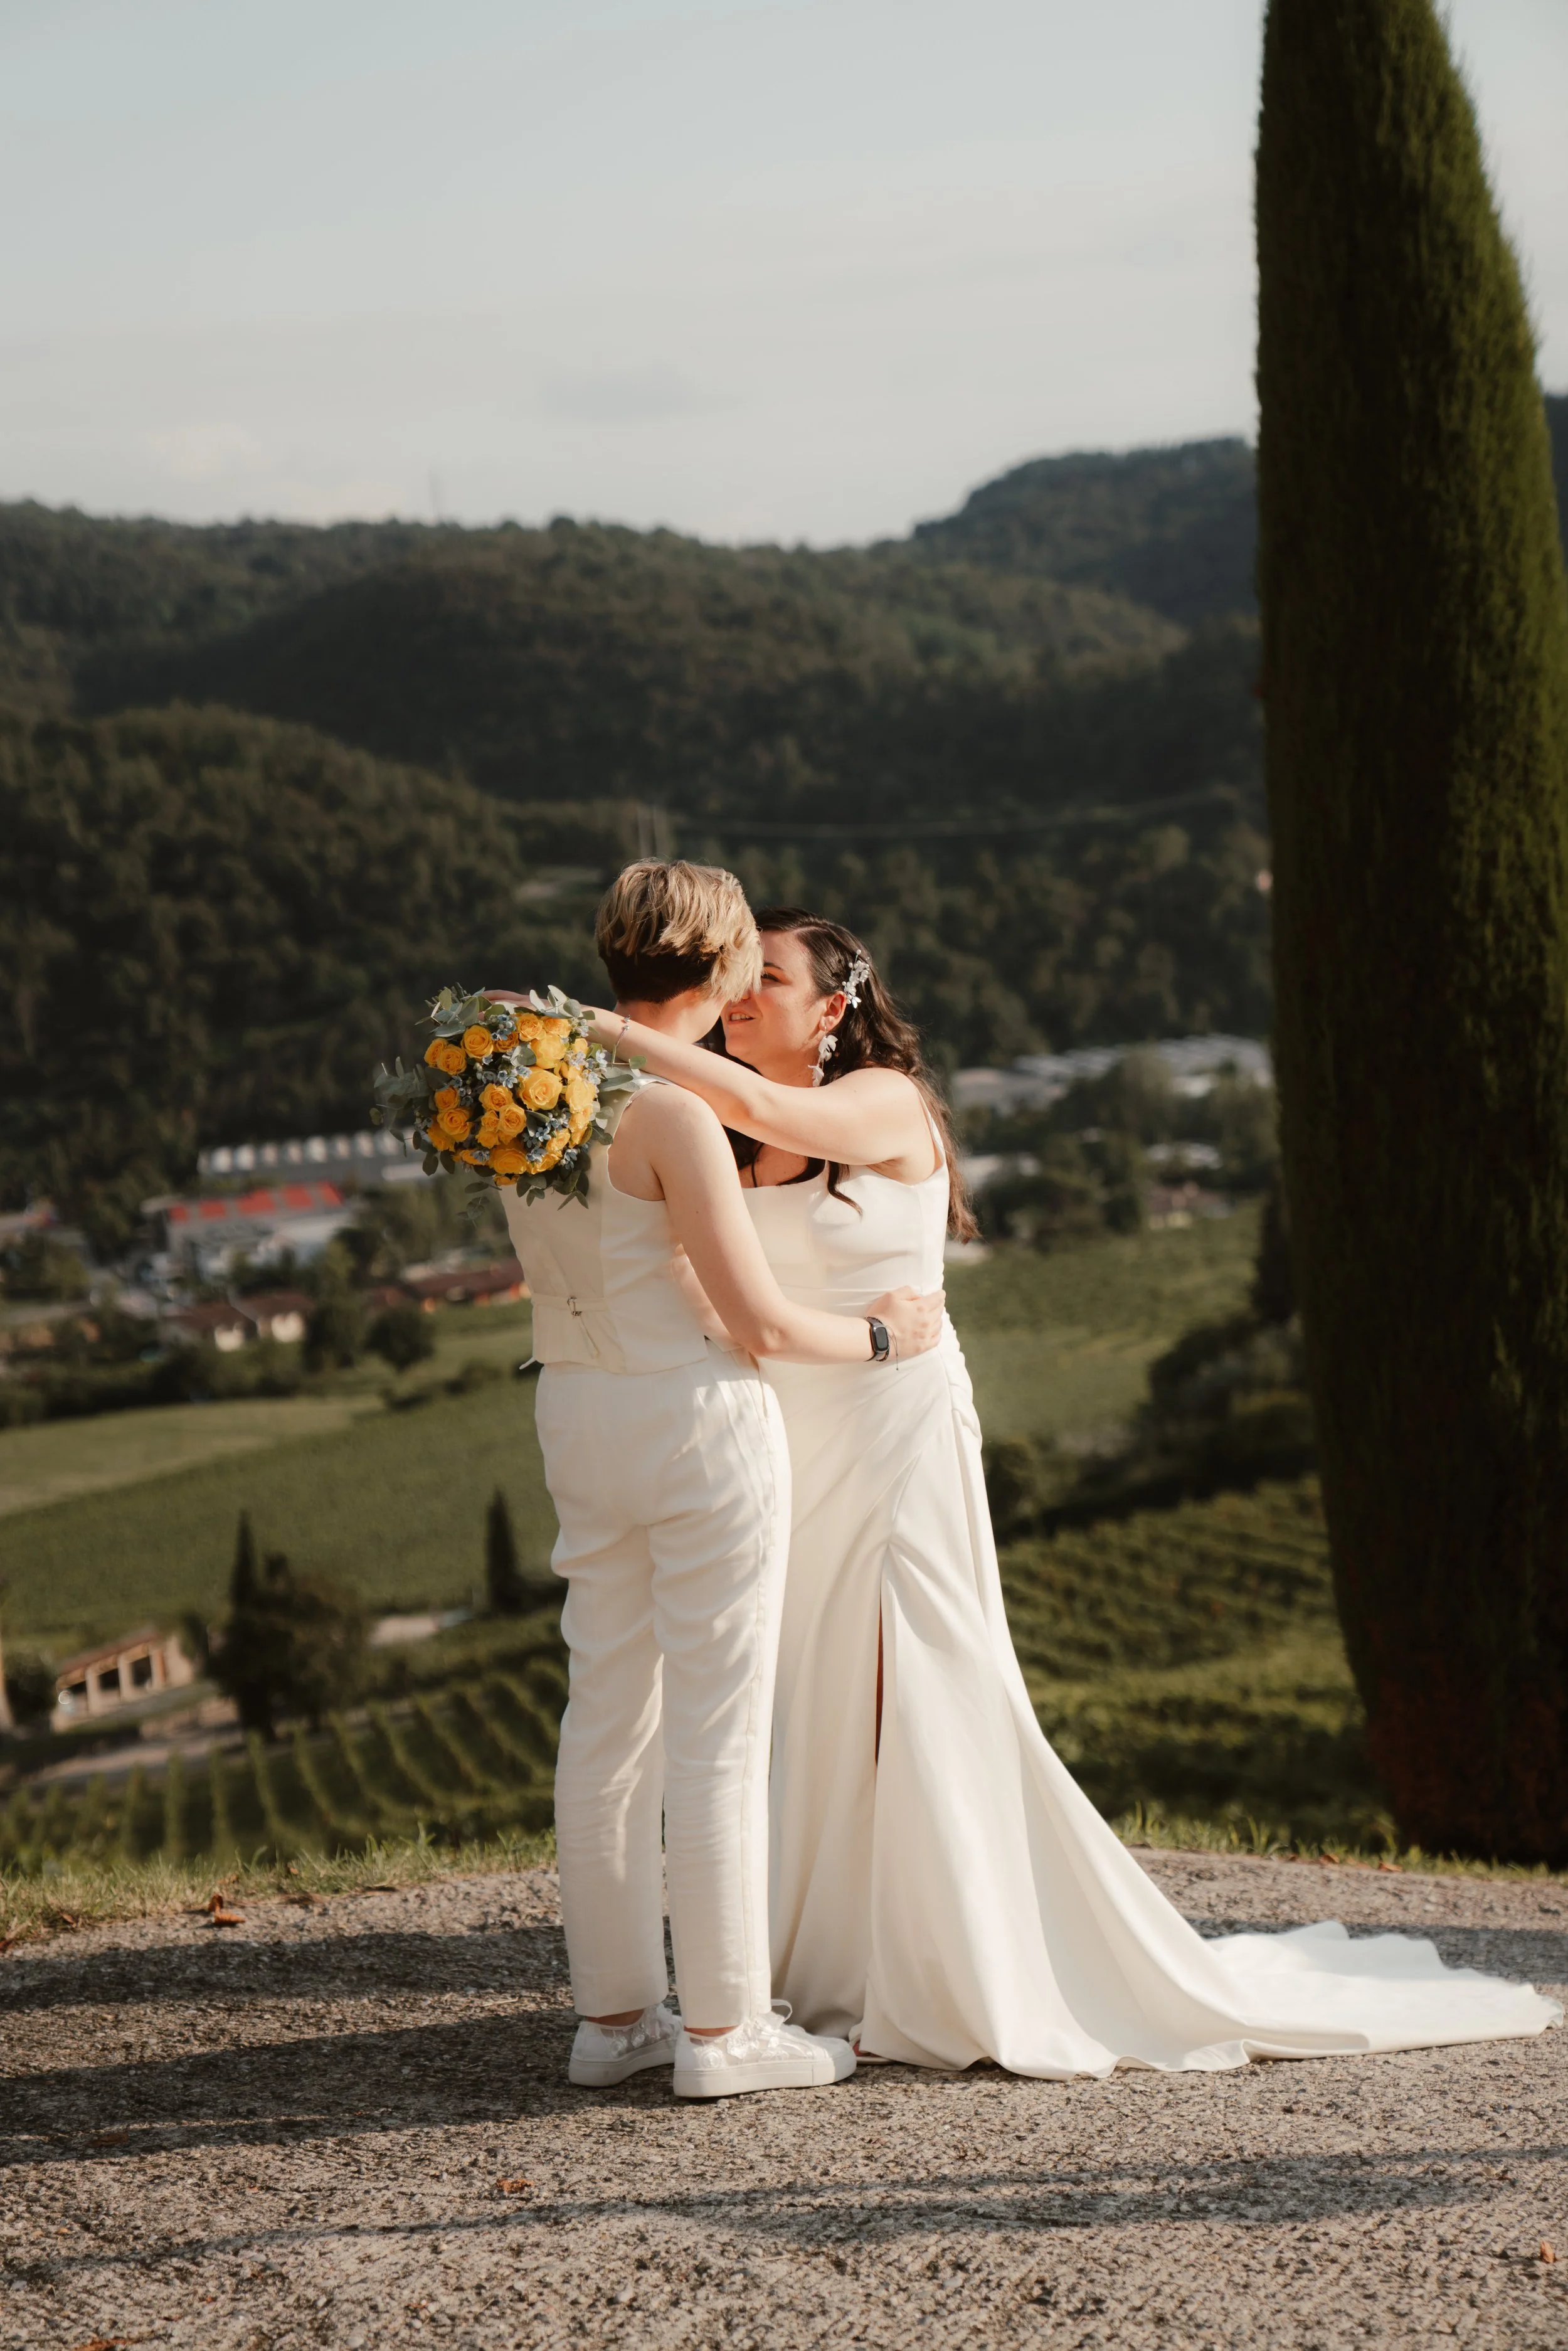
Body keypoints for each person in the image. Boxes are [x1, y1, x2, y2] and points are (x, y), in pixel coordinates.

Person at [585, 908, 1561, 2076]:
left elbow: (775, 1109)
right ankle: (817, 1961)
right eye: (736, 983)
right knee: (811, 1684)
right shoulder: (717, 1130)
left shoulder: (882, 1101)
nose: (741, 999)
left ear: (835, 1007)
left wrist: (610, 1036)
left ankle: (954, 1955)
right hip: (791, 1430)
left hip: (894, 1425)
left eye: (768, 980)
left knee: (913, 1669)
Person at [491, 865, 945, 2101]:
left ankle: (611, 2017)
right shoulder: (676, 1115)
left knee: (603, 1718)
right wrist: (877, 1338)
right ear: (727, 966)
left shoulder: (529, 1103)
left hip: (573, 1411)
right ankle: (725, 2031)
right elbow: (751, 1316)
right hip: (691, 1421)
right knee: (715, 1729)